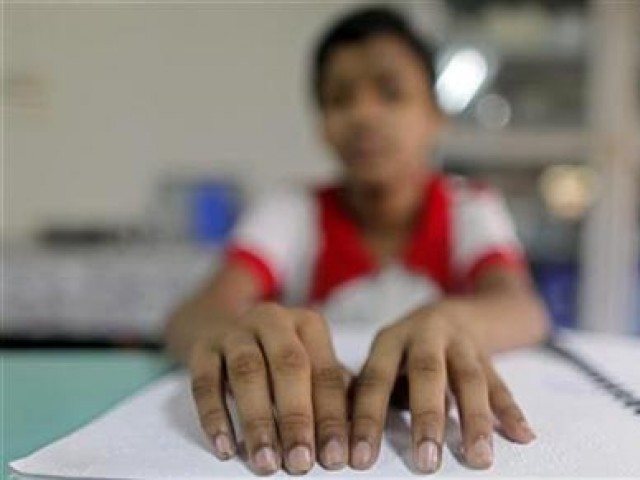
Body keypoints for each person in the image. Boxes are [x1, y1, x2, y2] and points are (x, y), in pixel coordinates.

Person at [165, 6, 549, 476]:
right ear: (321, 124)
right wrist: (231, 332)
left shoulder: (470, 205)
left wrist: (452, 319)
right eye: (339, 99)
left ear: (435, 115)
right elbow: (195, 314)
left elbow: (523, 307)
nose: (363, 115)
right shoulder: (293, 209)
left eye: (390, 92)